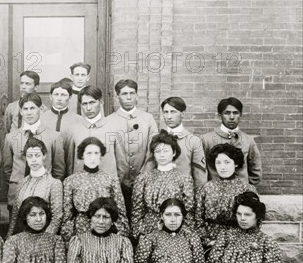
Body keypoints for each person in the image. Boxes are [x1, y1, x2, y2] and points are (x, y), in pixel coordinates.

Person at [104, 79, 158, 214]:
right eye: (124, 94)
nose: (128, 97)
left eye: (132, 93)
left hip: (144, 180)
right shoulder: (108, 121)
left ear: (137, 95)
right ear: (117, 97)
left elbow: (154, 149)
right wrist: (115, 178)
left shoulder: (148, 119)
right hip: (117, 181)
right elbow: (108, 153)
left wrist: (144, 174)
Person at [2, 93, 65, 208]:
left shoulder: (53, 136)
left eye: (32, 108)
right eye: (25, 109)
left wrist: (49, 189)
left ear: (40, 109)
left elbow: (58, 170)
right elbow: (7, 169)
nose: (29, 112)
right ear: (21, 111)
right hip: (17, 195)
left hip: (43, 194)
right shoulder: (11, 137)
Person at [61, 137, 128, 242]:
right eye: (89, 153)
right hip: (81, 231)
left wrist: (120, 236)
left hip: (106, 229)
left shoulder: (111, 180)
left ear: (101, 155)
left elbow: (120, 211)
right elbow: (67, 215)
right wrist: (69, 238)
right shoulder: (71, 181)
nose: (93, 158)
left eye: (96, 153)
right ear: (82, 155)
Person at [131, 131, 195, 241]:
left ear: (174, 152)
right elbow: (137, 210)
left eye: (166, 151)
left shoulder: (184, 178)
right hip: (149, 230)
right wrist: (139, 233)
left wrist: (186, 234)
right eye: (158, 151)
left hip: (176, 229)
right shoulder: (143, 178)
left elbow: (188, 211)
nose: (162, 155)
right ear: (153, 154)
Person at [194, 144, 256, 249]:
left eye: (227, 162)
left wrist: (243, 241)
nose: (222, 167)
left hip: (239, 243)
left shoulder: (247, 189)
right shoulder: (206, 189)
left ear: (235, 163)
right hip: (210, 242)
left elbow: (254, 220)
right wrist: (207, 241)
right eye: (218, 163)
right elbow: (197, 218)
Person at [144, 97, 207, 190]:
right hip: (159, 192)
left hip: (184, 194)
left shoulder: (194, 141)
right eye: (166, 112)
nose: (169, 116)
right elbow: (148, 169)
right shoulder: (156, 138)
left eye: (173, 112)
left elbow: (200, 176)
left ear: (183, 114)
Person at [201, 97, 262, 186]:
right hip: (215, 193)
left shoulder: (248, 140)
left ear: (240, 115)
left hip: (242, 192)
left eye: (235, 113)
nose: (232, 117)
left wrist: (247, 187)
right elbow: (200, 169)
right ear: (219, 115)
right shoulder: (206, 139)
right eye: (227, 113)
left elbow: (255, 169)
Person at [8, 138, 63, 236]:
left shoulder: (53, 183)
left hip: (44, 236)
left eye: (37, 155)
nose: (33, 159)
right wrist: (9, 237)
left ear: (44, 156)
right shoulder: (22, 183)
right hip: (22, 236)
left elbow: (57, 217)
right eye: (30, 156)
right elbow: (15, 215)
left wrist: (45, 239)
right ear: (26, 158)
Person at [63, 85, 120, 176]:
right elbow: (69, 163)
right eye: (84, 104)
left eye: (92, 102)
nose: (88, 108)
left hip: (107, 185)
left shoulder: (113, 127)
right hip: (81, 184)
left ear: (101, 102)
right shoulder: (73, 130)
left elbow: (120, 163)